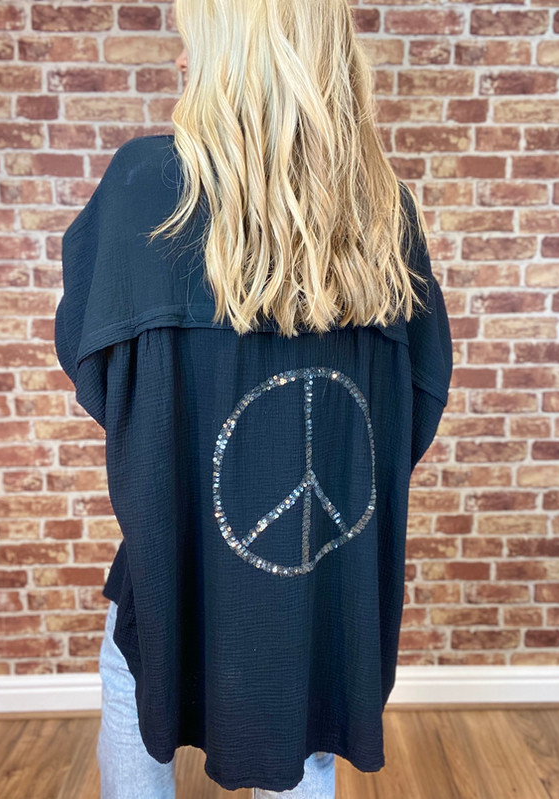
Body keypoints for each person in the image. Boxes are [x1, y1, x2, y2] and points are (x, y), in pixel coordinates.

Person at [54, 1, 453, 797]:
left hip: (177, 541)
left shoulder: (144, 187)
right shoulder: (384, 211)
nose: (180, 61)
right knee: (301, 724)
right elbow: (416, 400)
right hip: (321, 571)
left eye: (193, 42)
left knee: (139, 673)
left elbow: (92, 362)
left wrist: (175, 445)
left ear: (231, 54)